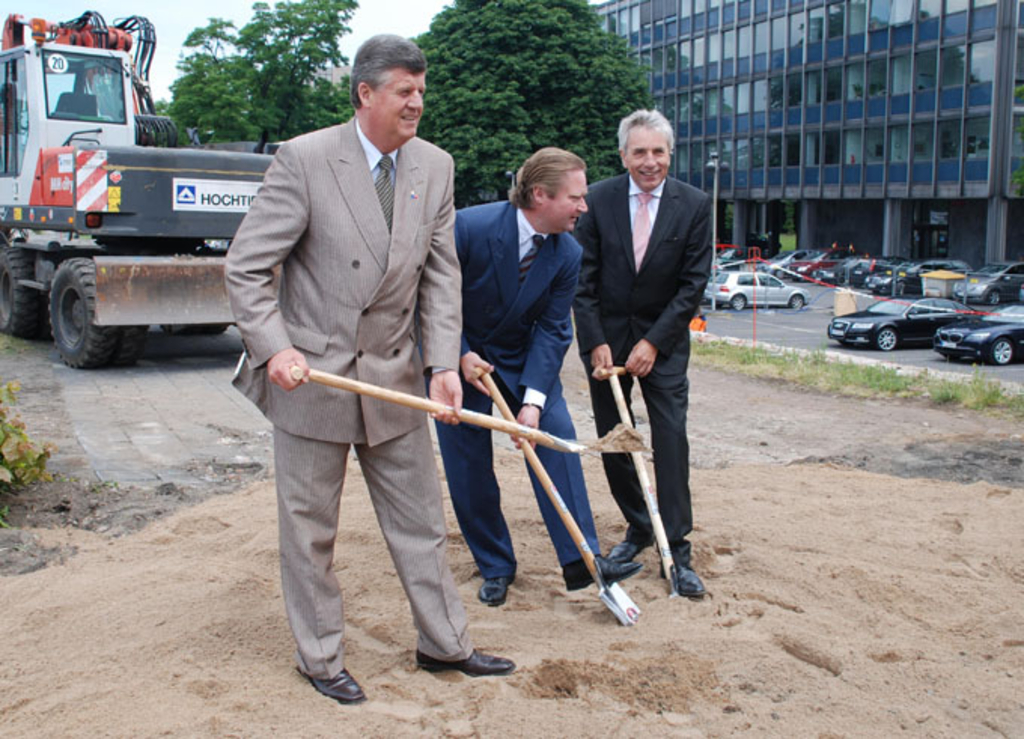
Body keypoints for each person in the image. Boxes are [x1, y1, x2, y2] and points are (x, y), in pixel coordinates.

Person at [224, 35, 513, 706]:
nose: (417, 102)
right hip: (312, 379)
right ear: (366, 94)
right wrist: (275, 347)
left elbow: (442, 275)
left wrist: (442, 362)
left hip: (394, 379)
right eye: (404, 91)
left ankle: (445, 644)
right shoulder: (303, 160)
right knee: (310, 532)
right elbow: (247, 267)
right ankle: (319, 656)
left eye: (421, 89)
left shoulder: (434, 167)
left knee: (421, 521)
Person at [434, 148, 643, 608]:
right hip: (459, 355)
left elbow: (552, 328)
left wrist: (532, 401)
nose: (584, 207)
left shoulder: (568, 253)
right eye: (576, 197)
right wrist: (458, 356)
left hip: (520, 358)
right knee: (468, 466)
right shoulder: (470, 227)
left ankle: (582, 561)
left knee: (557, 438)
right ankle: (495, 566)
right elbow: (432, 300)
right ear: (540, 195)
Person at [573, 109, 712, 598]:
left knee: (670, 438)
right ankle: (638, 527)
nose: (649, 162)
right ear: (623, 155)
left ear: (669, 154)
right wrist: (594, 341)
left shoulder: (694, 204)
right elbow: (582, 278)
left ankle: (677, 547)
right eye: (640, 152)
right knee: (615, 439)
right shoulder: (595, 200)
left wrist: (654, 342)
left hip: (665, 341)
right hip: (606, 343)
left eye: (658, 152)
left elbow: (693, 284)